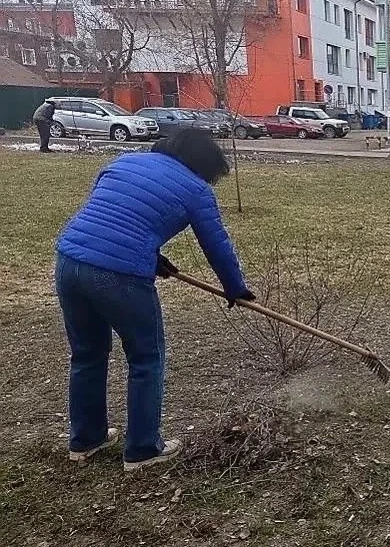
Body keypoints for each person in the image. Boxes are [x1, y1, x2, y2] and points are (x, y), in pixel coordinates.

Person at [55, 129, 255, 471]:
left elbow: (114, 218)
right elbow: (216, 244)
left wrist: (152, 256)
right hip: (119, 275)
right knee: (146, 357)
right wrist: (235, 287)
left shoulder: (123, 162)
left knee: (87, 354)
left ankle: (86, 439)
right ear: (204, 164)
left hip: (69, 261)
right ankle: (143, 449)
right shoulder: (196, 189)